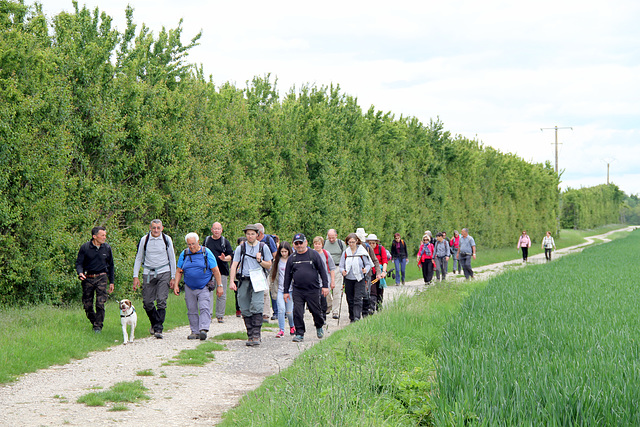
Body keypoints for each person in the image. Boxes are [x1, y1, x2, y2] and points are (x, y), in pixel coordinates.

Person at [173, 232, 223, 341]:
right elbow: (179, 271)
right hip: (189, 286)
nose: (191, 246)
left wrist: (220, 285)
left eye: (193, 244)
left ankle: (203, 329)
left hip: (204, 285)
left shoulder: (206, 252)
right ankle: (194, 331)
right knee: (191, 309)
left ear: (198, 242)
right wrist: (176, 285)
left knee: (204, 307)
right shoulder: (185, 254)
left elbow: (215, 270)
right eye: (189, 244)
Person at [229, 224, 273, 346]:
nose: (250, 236)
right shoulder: (241, 248)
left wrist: (260, 261)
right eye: (248, 234)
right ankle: (249, 334)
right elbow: (234, 265)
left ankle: (256, 335)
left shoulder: (263, 247)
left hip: (258, 278)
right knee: (244, 305)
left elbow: (269, 265)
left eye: (252, 234)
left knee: (257, 305)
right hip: (244, 279)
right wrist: (231, 281)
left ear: (257, 234)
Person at [132, 219, 177, 339]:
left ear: (162, 228)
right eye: (154, 228)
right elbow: (138, 258)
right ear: (150, 228)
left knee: (161, 300)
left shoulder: (167, 239)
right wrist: (135, 276)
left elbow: (172, 258)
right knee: (147, 302)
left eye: (158, 228)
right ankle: (155, 322)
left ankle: (158, 329)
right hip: (148, 273)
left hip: (164, 271)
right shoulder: (144, 239)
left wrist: (173, 277)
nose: (156, 230)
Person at [283, 233, 329, 342]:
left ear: (306, 242)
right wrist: (285, 291)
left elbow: (322, 270)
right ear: (293, 245)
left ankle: (319, 326)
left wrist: (325, 286)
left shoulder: (313, 255)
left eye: (301, 243)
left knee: (316, 311)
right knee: (297, 312)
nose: (299, 245)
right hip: (298, 290)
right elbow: (287, 276)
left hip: (313, 289)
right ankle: (299, 333)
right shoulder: (292, 258)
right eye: (296, 243)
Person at [75, 226, 115, 333]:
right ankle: (94, 322)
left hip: (102, 277)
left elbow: (111, 266)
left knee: (100, 303)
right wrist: (80, 273)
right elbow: (79, 263)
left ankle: (98, 327)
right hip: (88, 278)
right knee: (87, 305)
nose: (104, 237)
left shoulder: (107, 248)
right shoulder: (85, 247)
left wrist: (112, 282)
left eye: (105, 235)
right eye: (102, 235)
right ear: (94, 236)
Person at [203, 222, 234, 323]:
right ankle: (209, 315)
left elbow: (231, 256)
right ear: (211, 230)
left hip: (222, 271)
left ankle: (220, 316)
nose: (216, 231)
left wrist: (225, 259)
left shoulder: (225, 242)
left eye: (218, 229)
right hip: (208, 271)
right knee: (209, 293)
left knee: (221, 293)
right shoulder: (207, 241)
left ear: (221, 230)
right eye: (215, 229)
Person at [338, 233, 373, 323]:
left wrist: (366, 269)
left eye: (353, 242)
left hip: (359, 278)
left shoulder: (362, 252)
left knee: (358, 298)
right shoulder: (346, 252)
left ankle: (357, 318)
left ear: (357, 241)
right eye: (349, 242)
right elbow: (341, 265)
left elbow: (368, 264)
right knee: (350, 299)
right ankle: (352, 317)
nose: (351, 244)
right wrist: (342, 271)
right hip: (348, 279)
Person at [270, 241, 295, 337]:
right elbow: (272, 274)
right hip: (280, 289)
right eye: (282, 251)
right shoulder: (277, 261)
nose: (284, 254)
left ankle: (292, 326)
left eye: (285, 251)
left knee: (289, 312)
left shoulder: (292, 260)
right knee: (281, 309)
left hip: (291, 290)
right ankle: (281, 329)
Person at [355, 228, 380, 316]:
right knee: (357, 294)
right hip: (355, 274)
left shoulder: (368, 247)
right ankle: (357, 313)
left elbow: (375, 260)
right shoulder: (351, 247)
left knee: (366, 293)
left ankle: (365, 311)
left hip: (367, 274)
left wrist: (378, 273)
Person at [255, 222, 278, 321]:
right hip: (257, 268)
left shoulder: (268, 240)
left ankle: (274, 312)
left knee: (271, 289)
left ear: (259, 233)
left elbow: (275, 254)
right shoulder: (253, 242)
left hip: (269, 267)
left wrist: (273, 268)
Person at [313, 236, 336, 323]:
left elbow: (332, 268)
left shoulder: (326, 254)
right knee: (315, 300)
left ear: (322, 245)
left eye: (319, 244)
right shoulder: (311, 253)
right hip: (314, 281)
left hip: (324, 281)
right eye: (315, 244)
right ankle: (317, 317)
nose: (317, 246)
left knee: (323, 299)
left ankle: (323, 317)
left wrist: (332, 281)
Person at [323, 229, 345, 319]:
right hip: (326, 269)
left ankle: (335, 311)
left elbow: (345, 256)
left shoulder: (341, 243)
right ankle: (329, 304)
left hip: (337, 268)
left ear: (336, 236)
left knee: (336, 290)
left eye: (332, 237)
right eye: (329, 237)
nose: (331, 239)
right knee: (326, 289)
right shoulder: (324, 243)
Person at [366, 234, 388, 312]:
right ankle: (371, 307)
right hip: (371, 273)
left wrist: (384, 272)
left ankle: (379, 306)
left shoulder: (381, 249)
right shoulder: (367, 249)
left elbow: (385, 261)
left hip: (380, 272)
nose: (372, 245)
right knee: (372, 290)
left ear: (376, 243)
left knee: (380, 291)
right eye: (370, 243)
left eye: (373, 243)